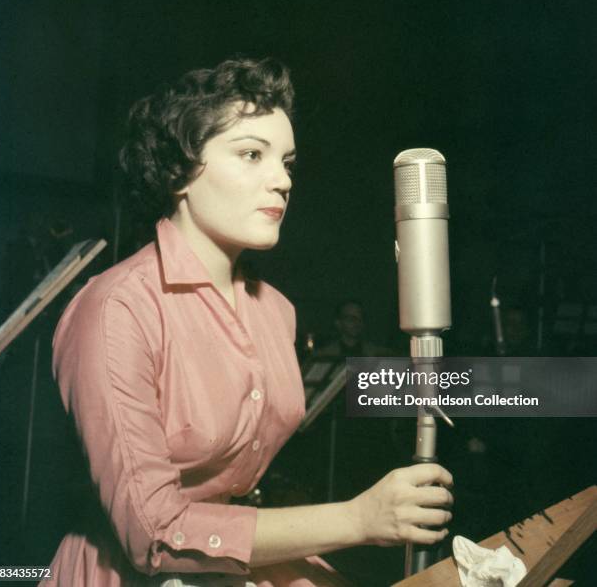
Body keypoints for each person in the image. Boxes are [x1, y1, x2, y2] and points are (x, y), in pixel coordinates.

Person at [43, 57, 453, 586]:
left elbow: (230, 495)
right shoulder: (116, 309)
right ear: (179, 171)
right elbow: (153, 534)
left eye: (287, 161)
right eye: (252, 155)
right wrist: (358, 519)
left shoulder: (275, 311)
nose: (282, 180)